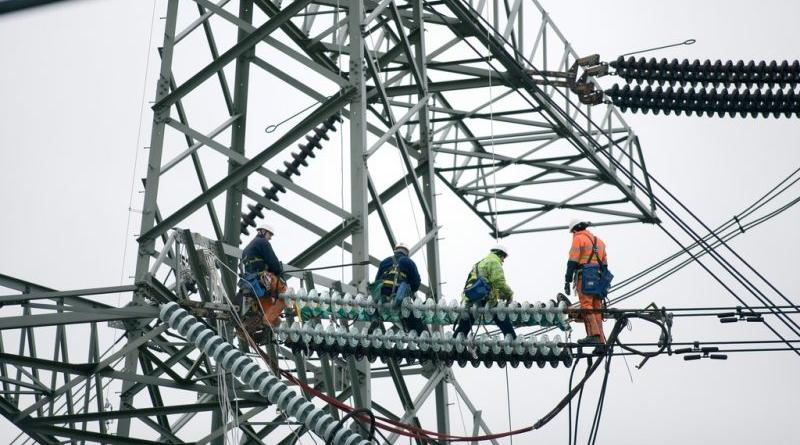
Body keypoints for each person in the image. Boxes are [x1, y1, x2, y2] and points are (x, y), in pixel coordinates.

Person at [453, 245, 516, 339]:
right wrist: (509, 294)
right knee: (502, 317)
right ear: (500, 254)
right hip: (485, 298)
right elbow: (499, 282)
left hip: (471, 297)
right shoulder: (494, 262)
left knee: (464, 327)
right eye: (504, 257)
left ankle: (453, 345)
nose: (503, 260)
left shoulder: (479, 263)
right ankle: (512, 341)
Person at [237, 225, 286, 342]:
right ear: (262, 231)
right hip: (264, 278)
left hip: (253, 283)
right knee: (286, 295)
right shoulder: (263, 243)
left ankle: (270, 322)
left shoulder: (247, 248)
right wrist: (279, 273)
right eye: (269, 234)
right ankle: (268, 321)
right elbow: (273, 263)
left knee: (267, 305)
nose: (270, 238)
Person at [563, 219, 608, 346]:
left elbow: (572, 261)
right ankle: (600, 343)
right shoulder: (600, 242)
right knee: (597, 309)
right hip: (599, 278)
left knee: (586, 306)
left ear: (575, 230)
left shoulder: (578, 238)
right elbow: (605, 265)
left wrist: (567, 280)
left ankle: (593, 335)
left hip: (585, 276)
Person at [373, 243, 427, 335]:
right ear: (406, 253)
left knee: (375, 307)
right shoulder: (408, 262)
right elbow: (416, 283)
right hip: (399, 297)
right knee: (414, 320)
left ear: (395, 251)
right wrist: (410, 291)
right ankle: (420, 336)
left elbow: (377, 282)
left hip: (383, 297)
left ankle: (375, 319)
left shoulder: (384, 262)